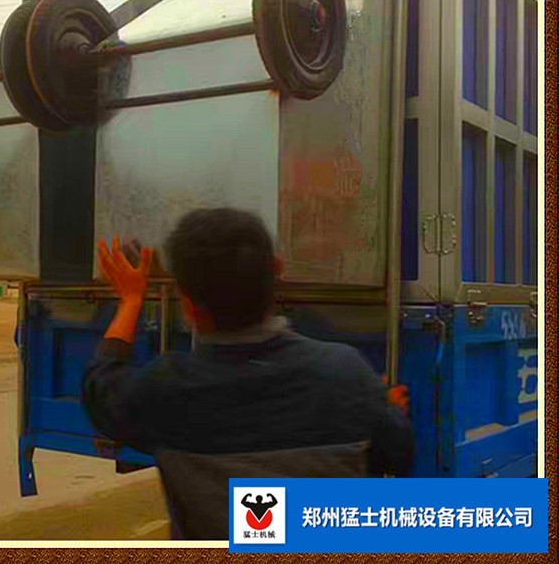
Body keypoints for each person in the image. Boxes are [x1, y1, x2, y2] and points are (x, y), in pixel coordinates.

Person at [82, 208, 413, 538]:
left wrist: (130, 300)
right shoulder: (346, 373)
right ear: (277, 272)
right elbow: (396, 456)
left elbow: (101, 387)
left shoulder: (164, 391)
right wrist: (386, 409)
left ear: (187, 306)